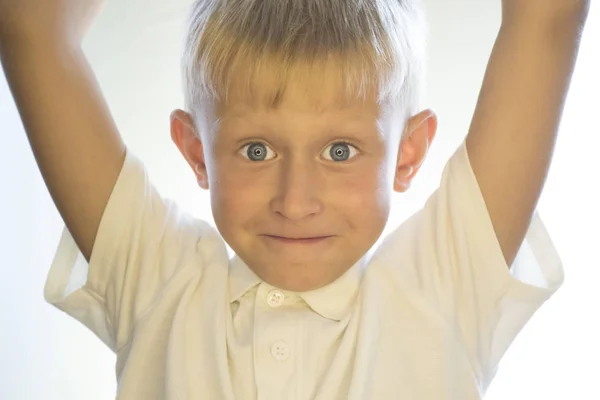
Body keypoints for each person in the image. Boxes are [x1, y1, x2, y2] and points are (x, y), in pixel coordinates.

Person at [0, 0, 589, 398]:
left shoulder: (445, 287)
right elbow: (30, 28)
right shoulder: (158, 283)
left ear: (406, 155)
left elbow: (547, 18)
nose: (296, 201)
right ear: (197, 152)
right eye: (256, 151)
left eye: (340, 151)